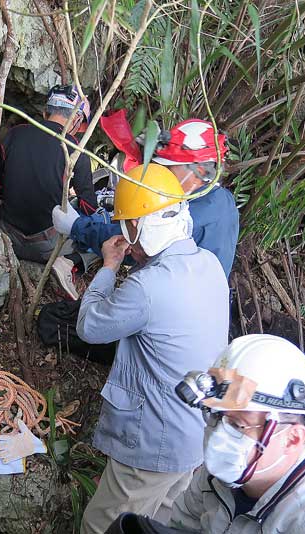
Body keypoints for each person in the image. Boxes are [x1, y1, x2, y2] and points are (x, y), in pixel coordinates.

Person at [77, 163, 229, 534]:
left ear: (144, 226)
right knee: (157, 524)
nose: (127, 239)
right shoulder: (209, 265)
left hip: (154, 442)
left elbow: (89, 327)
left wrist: (109, 267)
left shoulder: (147, 287)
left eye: (129, 226)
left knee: (102, 527)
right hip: (196, 437)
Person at [105, 334, 305, 534]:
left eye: (237, 425)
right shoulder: (218, 477)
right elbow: (181, 525)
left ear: (292, 439)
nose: (219, 436)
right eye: (217, 416)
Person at [52, 119, 239, 278]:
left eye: (169, 168)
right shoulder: (222, 200)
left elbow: (134, 243)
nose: (163, 174)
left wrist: (77, 226)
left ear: (199, 170)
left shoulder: (189, 217)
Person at [0, 85, 98, 296]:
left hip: (7, 235)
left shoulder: (14, 135)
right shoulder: (75, 150)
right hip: (45, 247)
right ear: (76, 120)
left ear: (45, 113)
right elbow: (89, 207)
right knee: (102, 234)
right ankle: (69, 263)